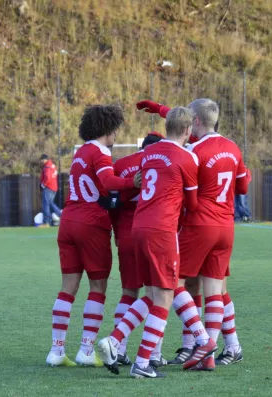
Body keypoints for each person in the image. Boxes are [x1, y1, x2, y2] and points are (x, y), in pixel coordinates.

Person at [98, 107, 217, 379]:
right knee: (165, 295)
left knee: (152, 295)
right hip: (163, 231)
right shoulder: (187, 157)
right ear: (188, 131)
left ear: (166, 128)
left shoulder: (148, 152)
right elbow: (194, 204)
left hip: (138, 227)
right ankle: (142, 363)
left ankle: (114, 341)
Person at [137, 98, 250, 370]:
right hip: (226, 227)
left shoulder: (194, 151)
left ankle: (188, 345)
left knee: (172, 284)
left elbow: (188, 191)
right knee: (214, 289)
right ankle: (212, 352)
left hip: (199, 225)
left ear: (195, 122)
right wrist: (162, 109)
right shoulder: (233, 148)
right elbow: (243, 186)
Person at [45, 105, 141, 367]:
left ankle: (56, 351)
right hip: (91, 224)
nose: (116, 136)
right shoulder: (100, 152)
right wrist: (132, 183)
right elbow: (109, 182)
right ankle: (86, 351)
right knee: (98, 287)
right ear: (107, 129)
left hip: (68, 222)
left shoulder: (80, 153)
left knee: (68, 287)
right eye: (115, 131)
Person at [107, 132, 164, 368]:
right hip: (153, 234)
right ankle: (153, 354)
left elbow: (111, 203)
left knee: (129, 293)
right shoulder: (162, 163)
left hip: (127, 234)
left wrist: (117, 232)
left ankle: (118, 349)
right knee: (158, 294)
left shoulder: (120, 164)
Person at [39, 154, 62, 227]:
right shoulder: (52, 165)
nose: (41, 162)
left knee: (46, 204)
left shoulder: (47, 166)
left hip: (48, 188)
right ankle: (63, 216)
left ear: (44, 159)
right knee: (50, 203)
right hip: (54, 187)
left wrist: (43, 184)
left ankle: (46, 222)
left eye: (41, 160)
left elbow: (47, 177)